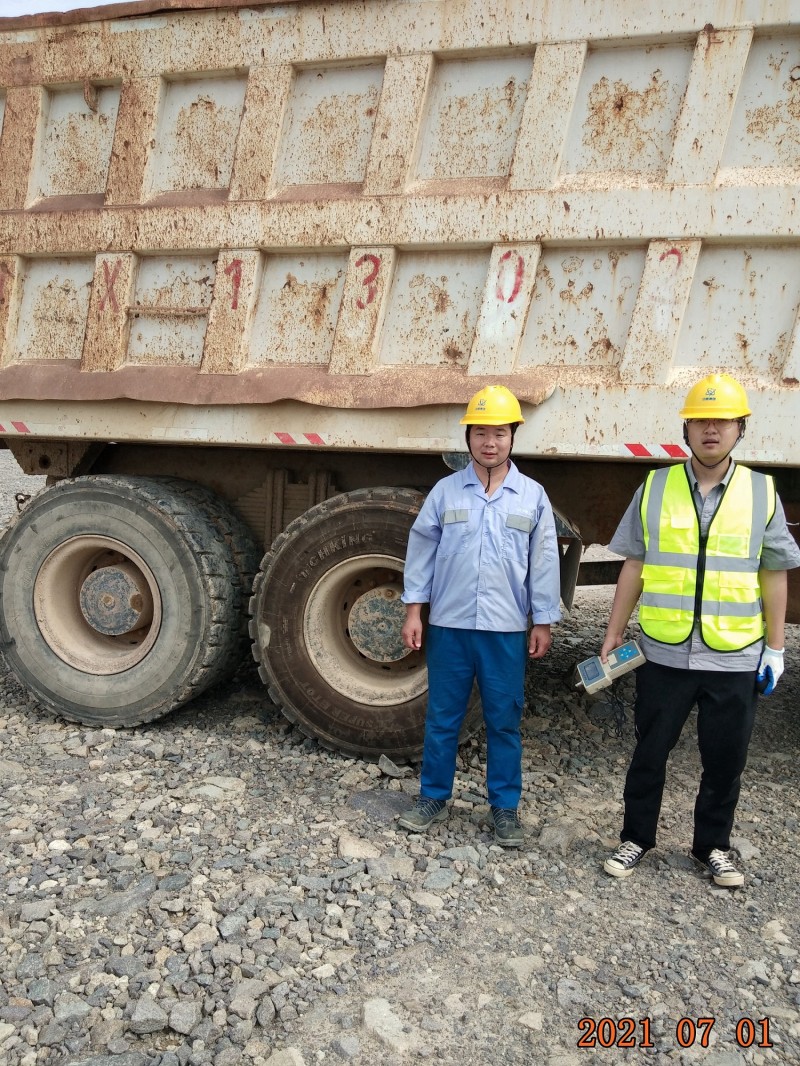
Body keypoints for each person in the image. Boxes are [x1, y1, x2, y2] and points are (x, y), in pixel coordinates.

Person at [600, 373, 800, 887]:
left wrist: (776, 648)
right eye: (701, 421)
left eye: (723, 421)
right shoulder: (655, 486)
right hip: (664, 652)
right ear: (685, 428)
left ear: (740, 428)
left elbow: (774, 574)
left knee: (725, 760)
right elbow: (634, 565)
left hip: (734, 654)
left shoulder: (762, 492)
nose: (711, 430)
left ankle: (713, 846)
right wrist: (613, 631)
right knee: (649, 753)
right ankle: (635, 838)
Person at [397, 385, 561, 846]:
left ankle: (504, 809)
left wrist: (542, 621)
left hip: (504, 630)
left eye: (500, 433)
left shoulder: (531, 496)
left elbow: (544, 562)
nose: (490, 443)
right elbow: (421, 553)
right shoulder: (445, 492)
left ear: (513, 438)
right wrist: (414, 611)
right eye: (481, 433)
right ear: (468, 437)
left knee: (503, 721)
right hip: (449, 626)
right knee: (442, 718)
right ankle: (432, 797)